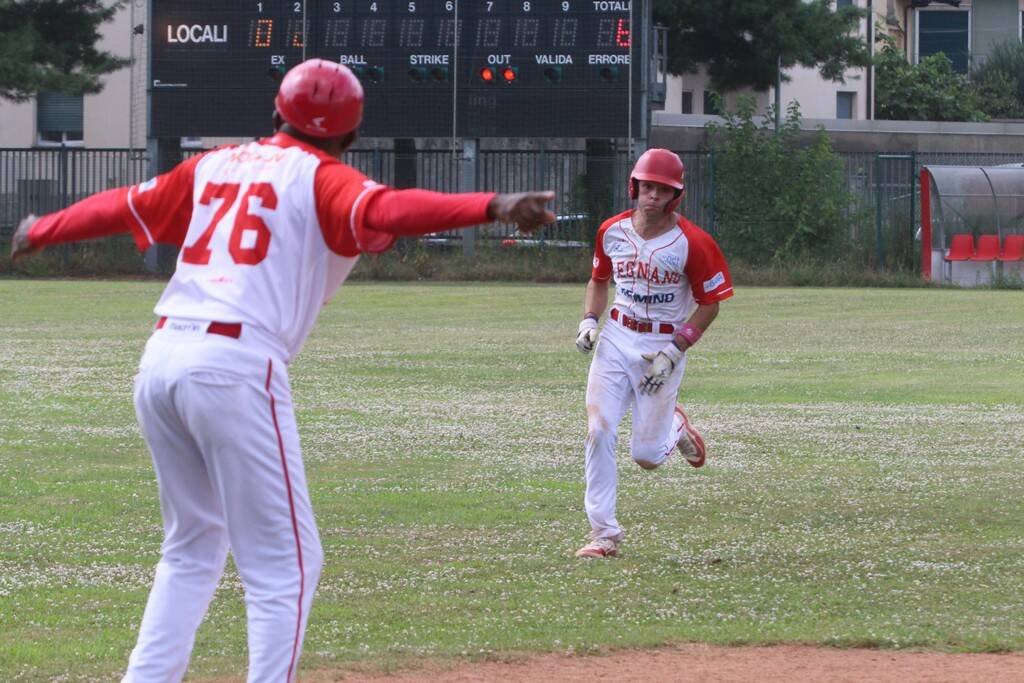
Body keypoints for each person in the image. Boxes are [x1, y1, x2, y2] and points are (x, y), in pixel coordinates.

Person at [10, 59, 555, 682]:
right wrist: (491, 204)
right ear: (350, 137)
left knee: (192, 545)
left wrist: (44, 229)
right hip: (234, 364)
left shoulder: (212, 164)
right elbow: (391, 210)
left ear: (275, 114)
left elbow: (126, 205)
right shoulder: (325, 178)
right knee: (286, 566)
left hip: (161, 356)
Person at [572, 148, 732, 559]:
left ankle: (675, 427)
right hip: (616, 338)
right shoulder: (611, 231)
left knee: (645, 457)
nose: (653, 196)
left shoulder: (693, 243)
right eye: (647, 186)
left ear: (675, 196)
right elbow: (598, 279)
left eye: (663, 189)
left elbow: (710, 303)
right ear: (634, 186)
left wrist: (677, 350)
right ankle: (603, 534)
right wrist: (590, 319)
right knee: (598, 429)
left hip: (660, 348)